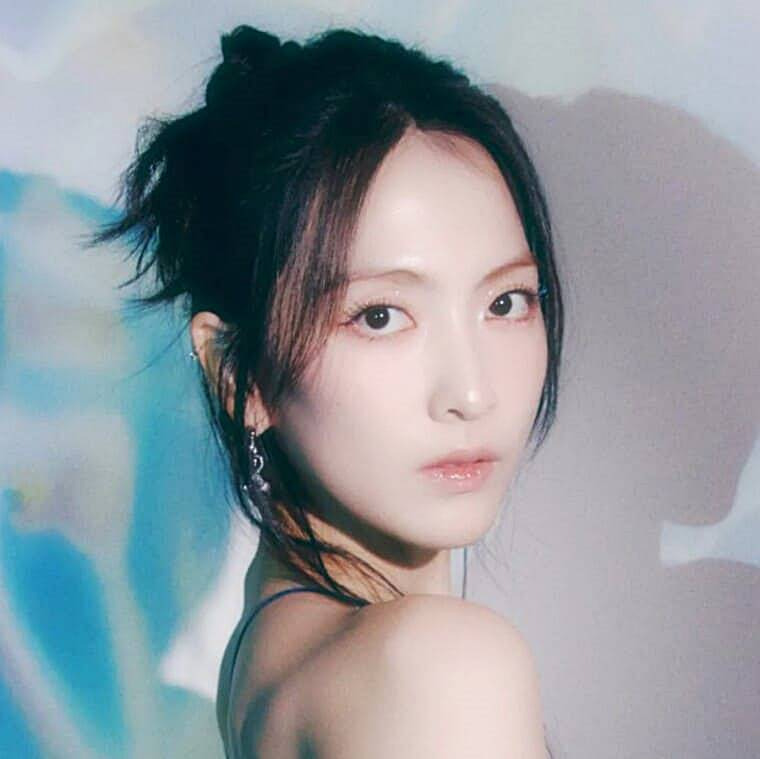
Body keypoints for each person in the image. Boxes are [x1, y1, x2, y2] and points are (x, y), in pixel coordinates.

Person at [92, 23, 563, 758]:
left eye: (506, 302)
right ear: (238, 373)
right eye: (380, 316)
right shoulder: (439, 670)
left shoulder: (272, 642)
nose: (473, 393)